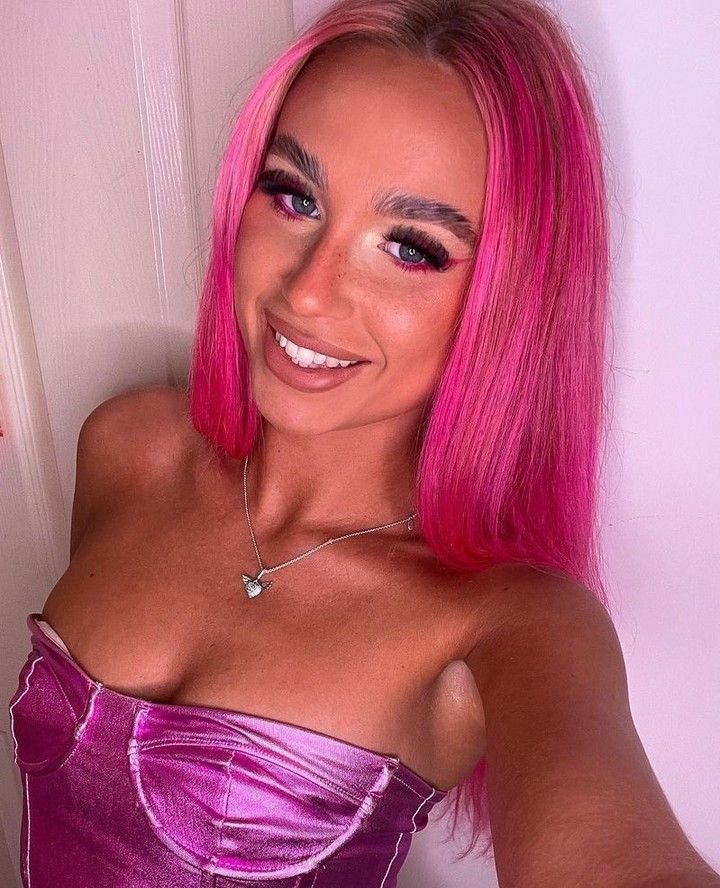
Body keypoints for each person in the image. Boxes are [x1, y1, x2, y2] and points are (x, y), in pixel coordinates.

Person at [8, 1, 720, 886]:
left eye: (411, 248)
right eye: (294, 196)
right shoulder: (130, 447)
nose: (309, 292)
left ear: (510, 300)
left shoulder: (511, 622)